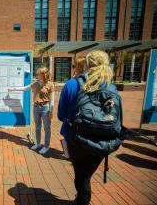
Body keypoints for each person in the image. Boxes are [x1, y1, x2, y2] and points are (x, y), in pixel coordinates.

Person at [57, 50, 120, 205]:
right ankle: (81, 198)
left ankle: (82, 199)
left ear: (85, 65)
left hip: (76, 139)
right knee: (86, 175)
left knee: (81, 175)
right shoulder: (111, 88)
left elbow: (61, 115)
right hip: (103, 140)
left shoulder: (72, 84)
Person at [8, 67, 54, 155]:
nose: (37, 75)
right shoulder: (35, 83)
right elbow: (26, 88)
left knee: (47, 128)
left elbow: (52, 100)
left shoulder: (50, 85)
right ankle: (38, 144)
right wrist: (14, 89)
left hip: (45, 108)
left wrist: (51, 111)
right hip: (36, 107)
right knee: (37, 127)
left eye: (39, 73)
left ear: (43, 75)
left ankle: (46, 146)